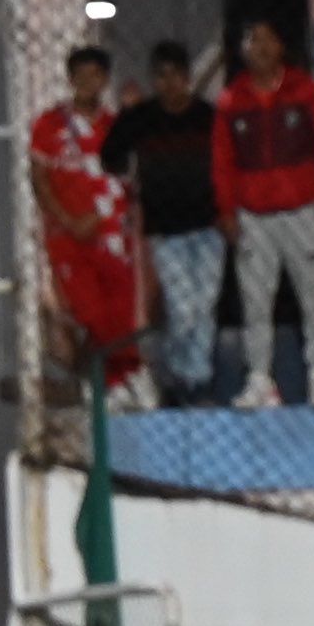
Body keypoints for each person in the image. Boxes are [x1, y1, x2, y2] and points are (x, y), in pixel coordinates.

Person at [213, 17, 314, 410]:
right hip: (253, 215)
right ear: (243, 51)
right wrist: (228, 211)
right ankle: (259, 380)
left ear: (281, 47)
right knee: (255, 301)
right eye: (253, 41)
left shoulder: (306, 91)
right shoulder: (231, 101)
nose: (261, 48)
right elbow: (222, 161)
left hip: (301, 209)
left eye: (268, 40)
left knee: (313, 295)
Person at [30, 46, 159, 412]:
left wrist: (102, 218)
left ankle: (122, 379)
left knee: (119, 312)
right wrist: (68, 220)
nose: (88, 83)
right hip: (67, 238)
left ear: (104, 81)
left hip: (110, 237)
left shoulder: (114, 126)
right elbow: (39, 179)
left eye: (96, 76)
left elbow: (125, 179)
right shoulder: (49, 125)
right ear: (70, 80)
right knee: (89, 314)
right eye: (80, 77)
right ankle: (114, 379)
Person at [100, 41, 223, 404]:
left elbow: (229, 164)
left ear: (187, 78)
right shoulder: (142, 118)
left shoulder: (207, 117)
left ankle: (195, 385)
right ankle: (175, 373)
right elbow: (110, 156)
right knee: (183, 309)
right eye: (161, 76)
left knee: (205, 307)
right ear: (154, 80)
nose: (168, 83)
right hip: (165, 228)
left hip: (208, 225)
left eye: (175, 75)